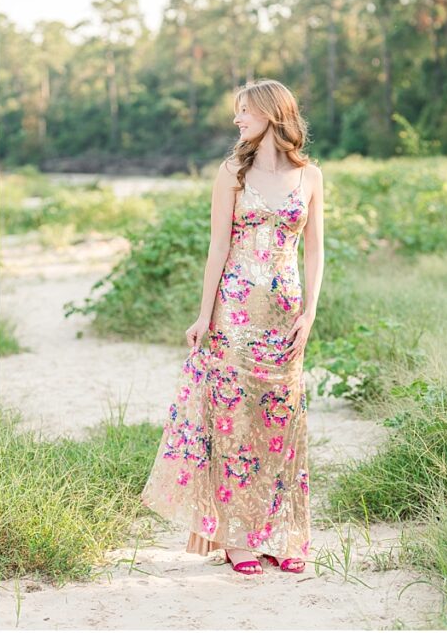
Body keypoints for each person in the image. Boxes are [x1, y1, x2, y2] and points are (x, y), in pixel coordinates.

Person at [140, 78, 324, 576]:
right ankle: (237, 540)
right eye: (236, 112)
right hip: (234, 315)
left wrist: (309, 312)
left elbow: (314, 250)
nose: (237, 120)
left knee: (282, 424)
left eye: (244, 111)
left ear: (270, 113)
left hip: (286, 316)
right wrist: (204, 315)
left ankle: (283, 535)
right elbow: (217, 248)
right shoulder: (231, 173)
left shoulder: (310, 177)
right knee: (235, 425)